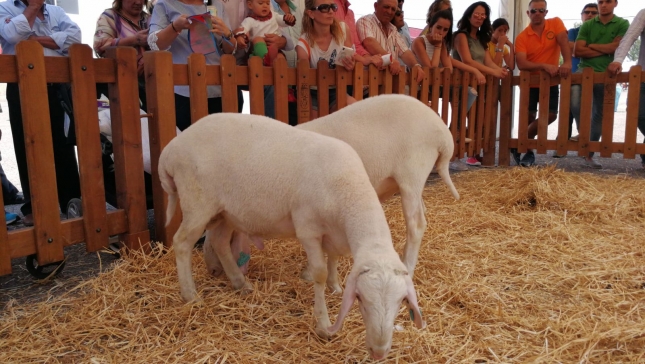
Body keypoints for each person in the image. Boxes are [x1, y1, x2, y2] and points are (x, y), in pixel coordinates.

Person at [0, 0, 82, 226]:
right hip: (21, 84)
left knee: (64, 144)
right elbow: (12, 36)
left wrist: (32, 39)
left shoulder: (56, 10)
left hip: (58, 84)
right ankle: (34, 207)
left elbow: (75, 38)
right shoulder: (5, 8)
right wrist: (33, 8)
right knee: (28, 145)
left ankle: (71, 202)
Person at [148, 0, 240, 131]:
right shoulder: (164, 5)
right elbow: (155, 44)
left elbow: (229, 51)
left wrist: (227, 34)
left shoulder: (217, 5)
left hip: (222, 89)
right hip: (183, 93)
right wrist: (175, 27)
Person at [412, 9, 484, 171]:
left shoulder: (443, 43)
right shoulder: (420, 42)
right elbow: (430, 68)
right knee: (432, 119)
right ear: (430, 26)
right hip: (421, 86)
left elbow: (449, 68)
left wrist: (440, 54)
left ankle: (454, 129)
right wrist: (437, 48)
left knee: (471, 92)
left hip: (438, 85)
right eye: (438, 28)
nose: (441, 32)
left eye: (445, 30)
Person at [570, 0, 629, 169]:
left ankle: (589, 154)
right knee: (574, 98)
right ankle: (584, 136)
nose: (603, 5)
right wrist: (607, 47)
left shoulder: (622, 23)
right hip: (584, 70)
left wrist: (592, 46)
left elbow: (618, 48)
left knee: (600, 115)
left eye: (608, 2)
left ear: (615, 4)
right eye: (600, 2)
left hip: (607, 74)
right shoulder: (588, 24)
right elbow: (577, 51)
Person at [513, 0, 571, 167]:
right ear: (528, 13)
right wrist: (544, 65)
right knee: (529, 116)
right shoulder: (522, 36)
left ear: (546, 12)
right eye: (533, 11)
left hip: (551, 82)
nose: (537, 13)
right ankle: (528, 152)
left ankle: (520, 144)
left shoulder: (556, 23)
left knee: (551, 115)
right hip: (529, 83)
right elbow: (521, 63)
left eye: (540, 10)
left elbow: (563, 42)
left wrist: (567, 63)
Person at [452, 1, 508, 167]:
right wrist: (493, 72)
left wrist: (499, 71)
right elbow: (467, 60)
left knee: (479, 122)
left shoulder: (481, 39)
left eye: (483, 15)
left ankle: (472, 153)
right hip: (462, 85)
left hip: (479, 85)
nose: (479, 17)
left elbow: (489, 62)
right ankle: (463, 153)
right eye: (476, 14)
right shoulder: (460, 36)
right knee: (461, 122)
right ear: (469, 15)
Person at [297, 0, 367, 118]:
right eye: (324, 8)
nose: (330, 11)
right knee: (316, 129)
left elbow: (350, 59)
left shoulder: (343, 30)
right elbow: (304, 80)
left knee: (356, 111)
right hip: (313, 93)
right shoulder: (303, 45)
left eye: (333, 7)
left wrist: (350, 65)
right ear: (311, 13)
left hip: (337, 89)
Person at [553, 2, 598, 156]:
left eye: (594, 12)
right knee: (567, 111)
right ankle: (562, 145)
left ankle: (584, 141)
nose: (590, 15)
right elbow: (570, 47)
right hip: (571, 76)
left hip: (594, 77)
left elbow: (577, 49)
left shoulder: (600, 32)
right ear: (581, 15)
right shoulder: (573, 31)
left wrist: (581, 49)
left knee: (588, 109)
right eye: (587, 12)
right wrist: (597, 49)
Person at [94, 0, 151, 110]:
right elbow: (100, 45)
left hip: (151, 82)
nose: (138, 2)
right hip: (119, 82)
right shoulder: (110, 16)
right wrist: (135, 40)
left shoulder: (151, 19)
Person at [608, 7, 645, 169]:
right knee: (639, 114)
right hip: (643, 75)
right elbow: (630, 36)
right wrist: (618, 60)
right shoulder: (644, 13)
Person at [356, 0, 424, 84]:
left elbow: (405, 51)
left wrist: (416, 66)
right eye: (386, 7)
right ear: (376, 6)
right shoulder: (365, 21)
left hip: (387, 84)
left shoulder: (393, 29)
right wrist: (390, 59)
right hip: (367, 85)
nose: (389, 11)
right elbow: (369, 42)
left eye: (393, 9)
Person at [234, 0, 296, 66]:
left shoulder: (273, 15)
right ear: (250, 5)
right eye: (261, 3)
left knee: (280, 58)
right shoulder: (250, 20)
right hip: (257, 50)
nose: (265, 6)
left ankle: (280, 72)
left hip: (273, 49)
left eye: (268, 3)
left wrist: (288, 19)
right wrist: (241, 37)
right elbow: (243, 29)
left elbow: (283, 20)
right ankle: (265, 58)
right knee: (257, 39)